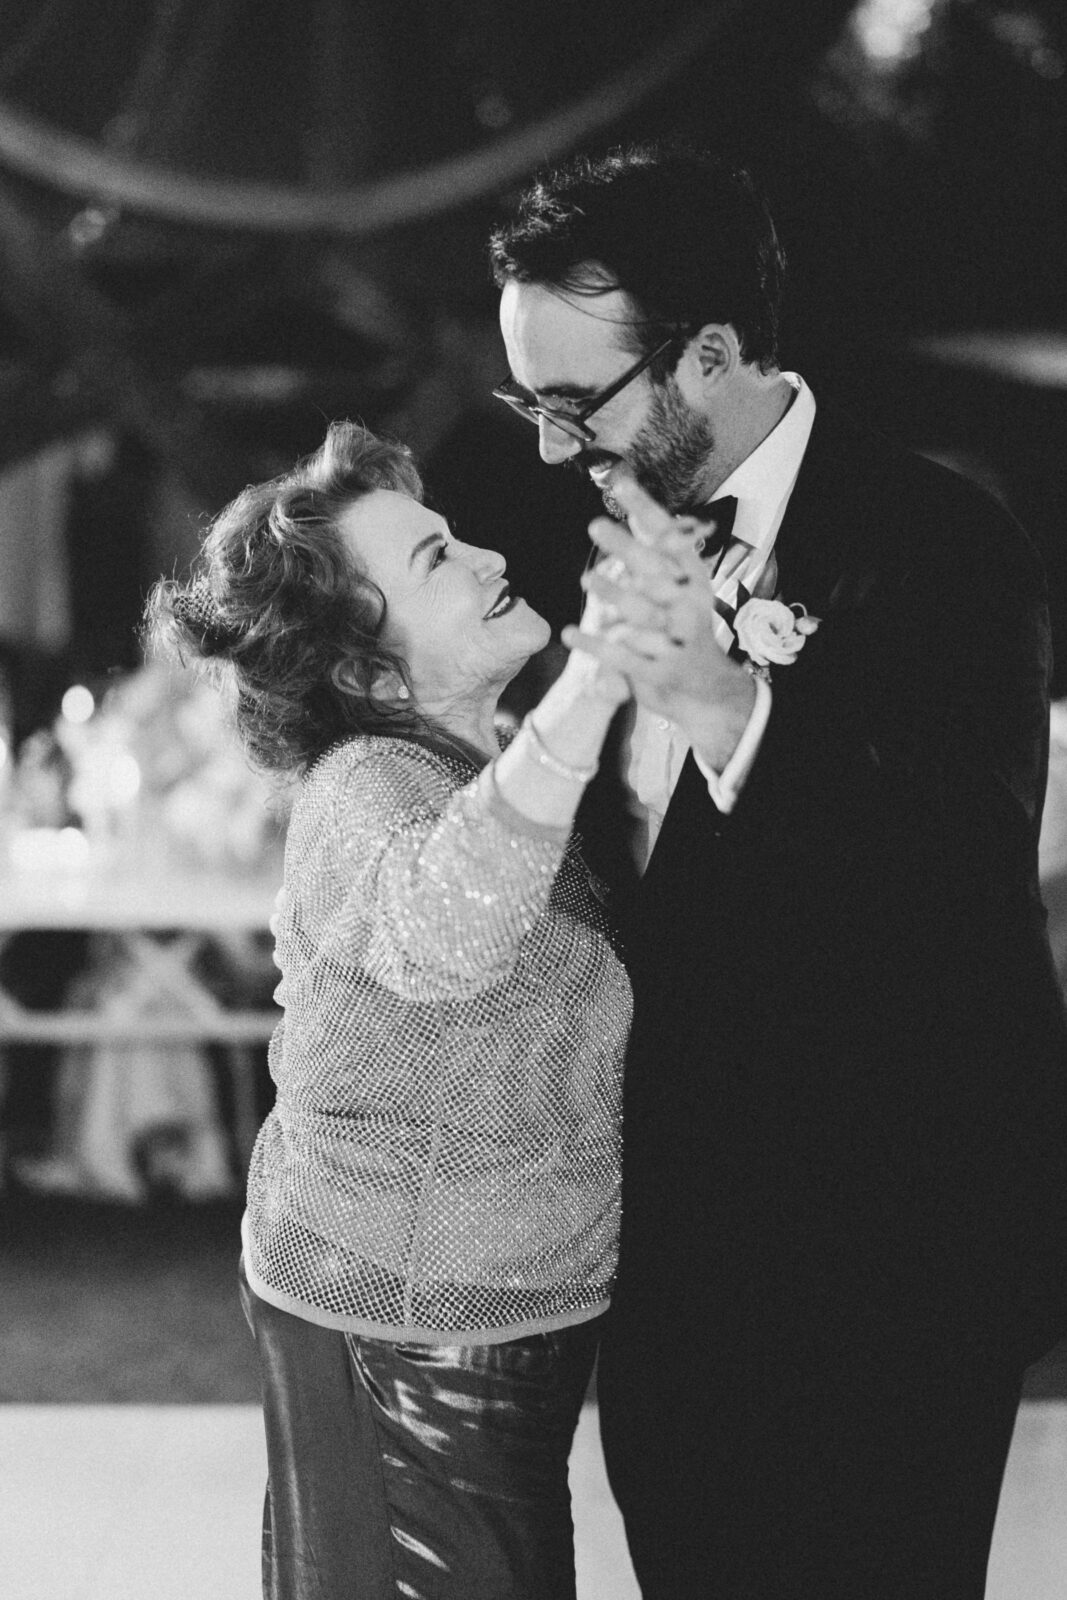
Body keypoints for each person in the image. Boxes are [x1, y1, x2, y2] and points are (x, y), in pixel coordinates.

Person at [488, 143, 1067, 1599]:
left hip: (888, 1251)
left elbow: (957, 869)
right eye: (529, 405)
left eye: (574, 406)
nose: (551, 450)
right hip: (675, 1262)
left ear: (712, 353)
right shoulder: (599, 538)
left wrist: (724, 703)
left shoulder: (941, 538)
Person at [146, 420, 632, 1600]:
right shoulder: (367, 784)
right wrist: (599, 674)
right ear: (366, 674)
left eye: (449, 535)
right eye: (431, 561)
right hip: (399, 1323)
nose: (477, 555)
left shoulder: (486, 761)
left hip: (483, 1311)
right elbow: (446, 930)